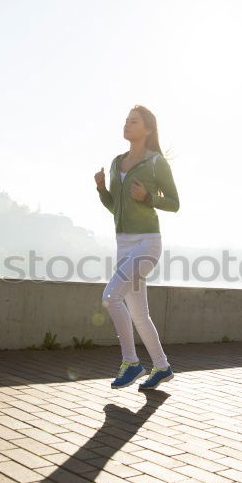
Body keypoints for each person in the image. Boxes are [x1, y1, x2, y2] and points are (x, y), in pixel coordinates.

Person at [94, 105, 180, 390]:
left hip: (147, 242)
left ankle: (131, 362)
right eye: (126, 120)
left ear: (148, 129)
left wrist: (147, 198)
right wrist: (102, 190)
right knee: (140, 315)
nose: (127, 124)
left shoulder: (156, 162)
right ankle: (162, 367)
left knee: (110, 297)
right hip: (123, 244)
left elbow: (174, 203)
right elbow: (115, 208)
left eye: (134, 121)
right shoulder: (117, 161)